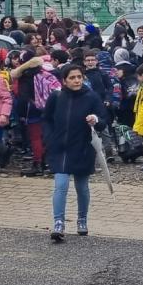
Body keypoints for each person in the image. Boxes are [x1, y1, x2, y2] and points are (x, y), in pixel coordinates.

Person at [43, 63, 108, 241]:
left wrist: (95, 119)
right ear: (64, 80)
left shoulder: (91, 97)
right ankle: (58, 223)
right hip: (60, 149)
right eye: (72, 77)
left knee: (82, 187)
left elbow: (104, 120)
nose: (77, 80)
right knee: (61, 186)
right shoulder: (56, 97)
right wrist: (48, 138)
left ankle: (82, 219)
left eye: (79, 77)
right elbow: (47, 119)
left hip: (83, 148)